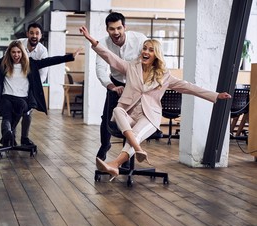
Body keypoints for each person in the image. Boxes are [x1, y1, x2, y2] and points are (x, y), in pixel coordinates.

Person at [79, 26, 232, 181]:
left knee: (136, 135)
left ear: (156, 55)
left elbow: (189, 87)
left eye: (150, 50)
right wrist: (93, 41)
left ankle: (115, 164)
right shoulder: (131, 67)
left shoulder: (164, 76)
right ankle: (138, 150)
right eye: (144, 48)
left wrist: (216, 95)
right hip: (130, 113)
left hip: (149, 116)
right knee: (117, 111)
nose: (145, 52)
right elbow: (110, 57)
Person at [0, 31, 81, 147]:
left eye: (19, 52)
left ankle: (8, 134)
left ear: (22, 53)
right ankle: (8, 133)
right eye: (13, 52)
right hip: (6, 98)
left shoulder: (31, 65)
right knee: (6, 116)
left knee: (21, 107)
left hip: (22, 100)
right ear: (9, 53)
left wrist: (70, 56)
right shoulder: (3, 64)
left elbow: (50, 61)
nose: (16, 55)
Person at [95, 12, 147, 161]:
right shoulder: (103, 43)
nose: (116, 32)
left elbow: (149, 62)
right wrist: (111, 86)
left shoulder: (139, 40)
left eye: (119, 28)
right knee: (107, 119)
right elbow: (100, 69)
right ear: (107, 29)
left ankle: (126, 158)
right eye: (112, 29)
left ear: (124, 27)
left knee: (130, 121)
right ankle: (105, 145)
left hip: (136, 84)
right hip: (116, 84)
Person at [17, 23, 49, 146]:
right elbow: (6, 61)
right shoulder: (18, 44)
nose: (34, 36)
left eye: (37, 33)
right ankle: (10, 137)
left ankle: (24, 138)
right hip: (15, 82)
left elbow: (43, 74)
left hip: (31, 86)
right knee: (13, 110)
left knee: (28, 111)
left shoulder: (42, 51)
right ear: (27, 34)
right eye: (31, 33)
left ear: (40, 36)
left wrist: (33, 89)